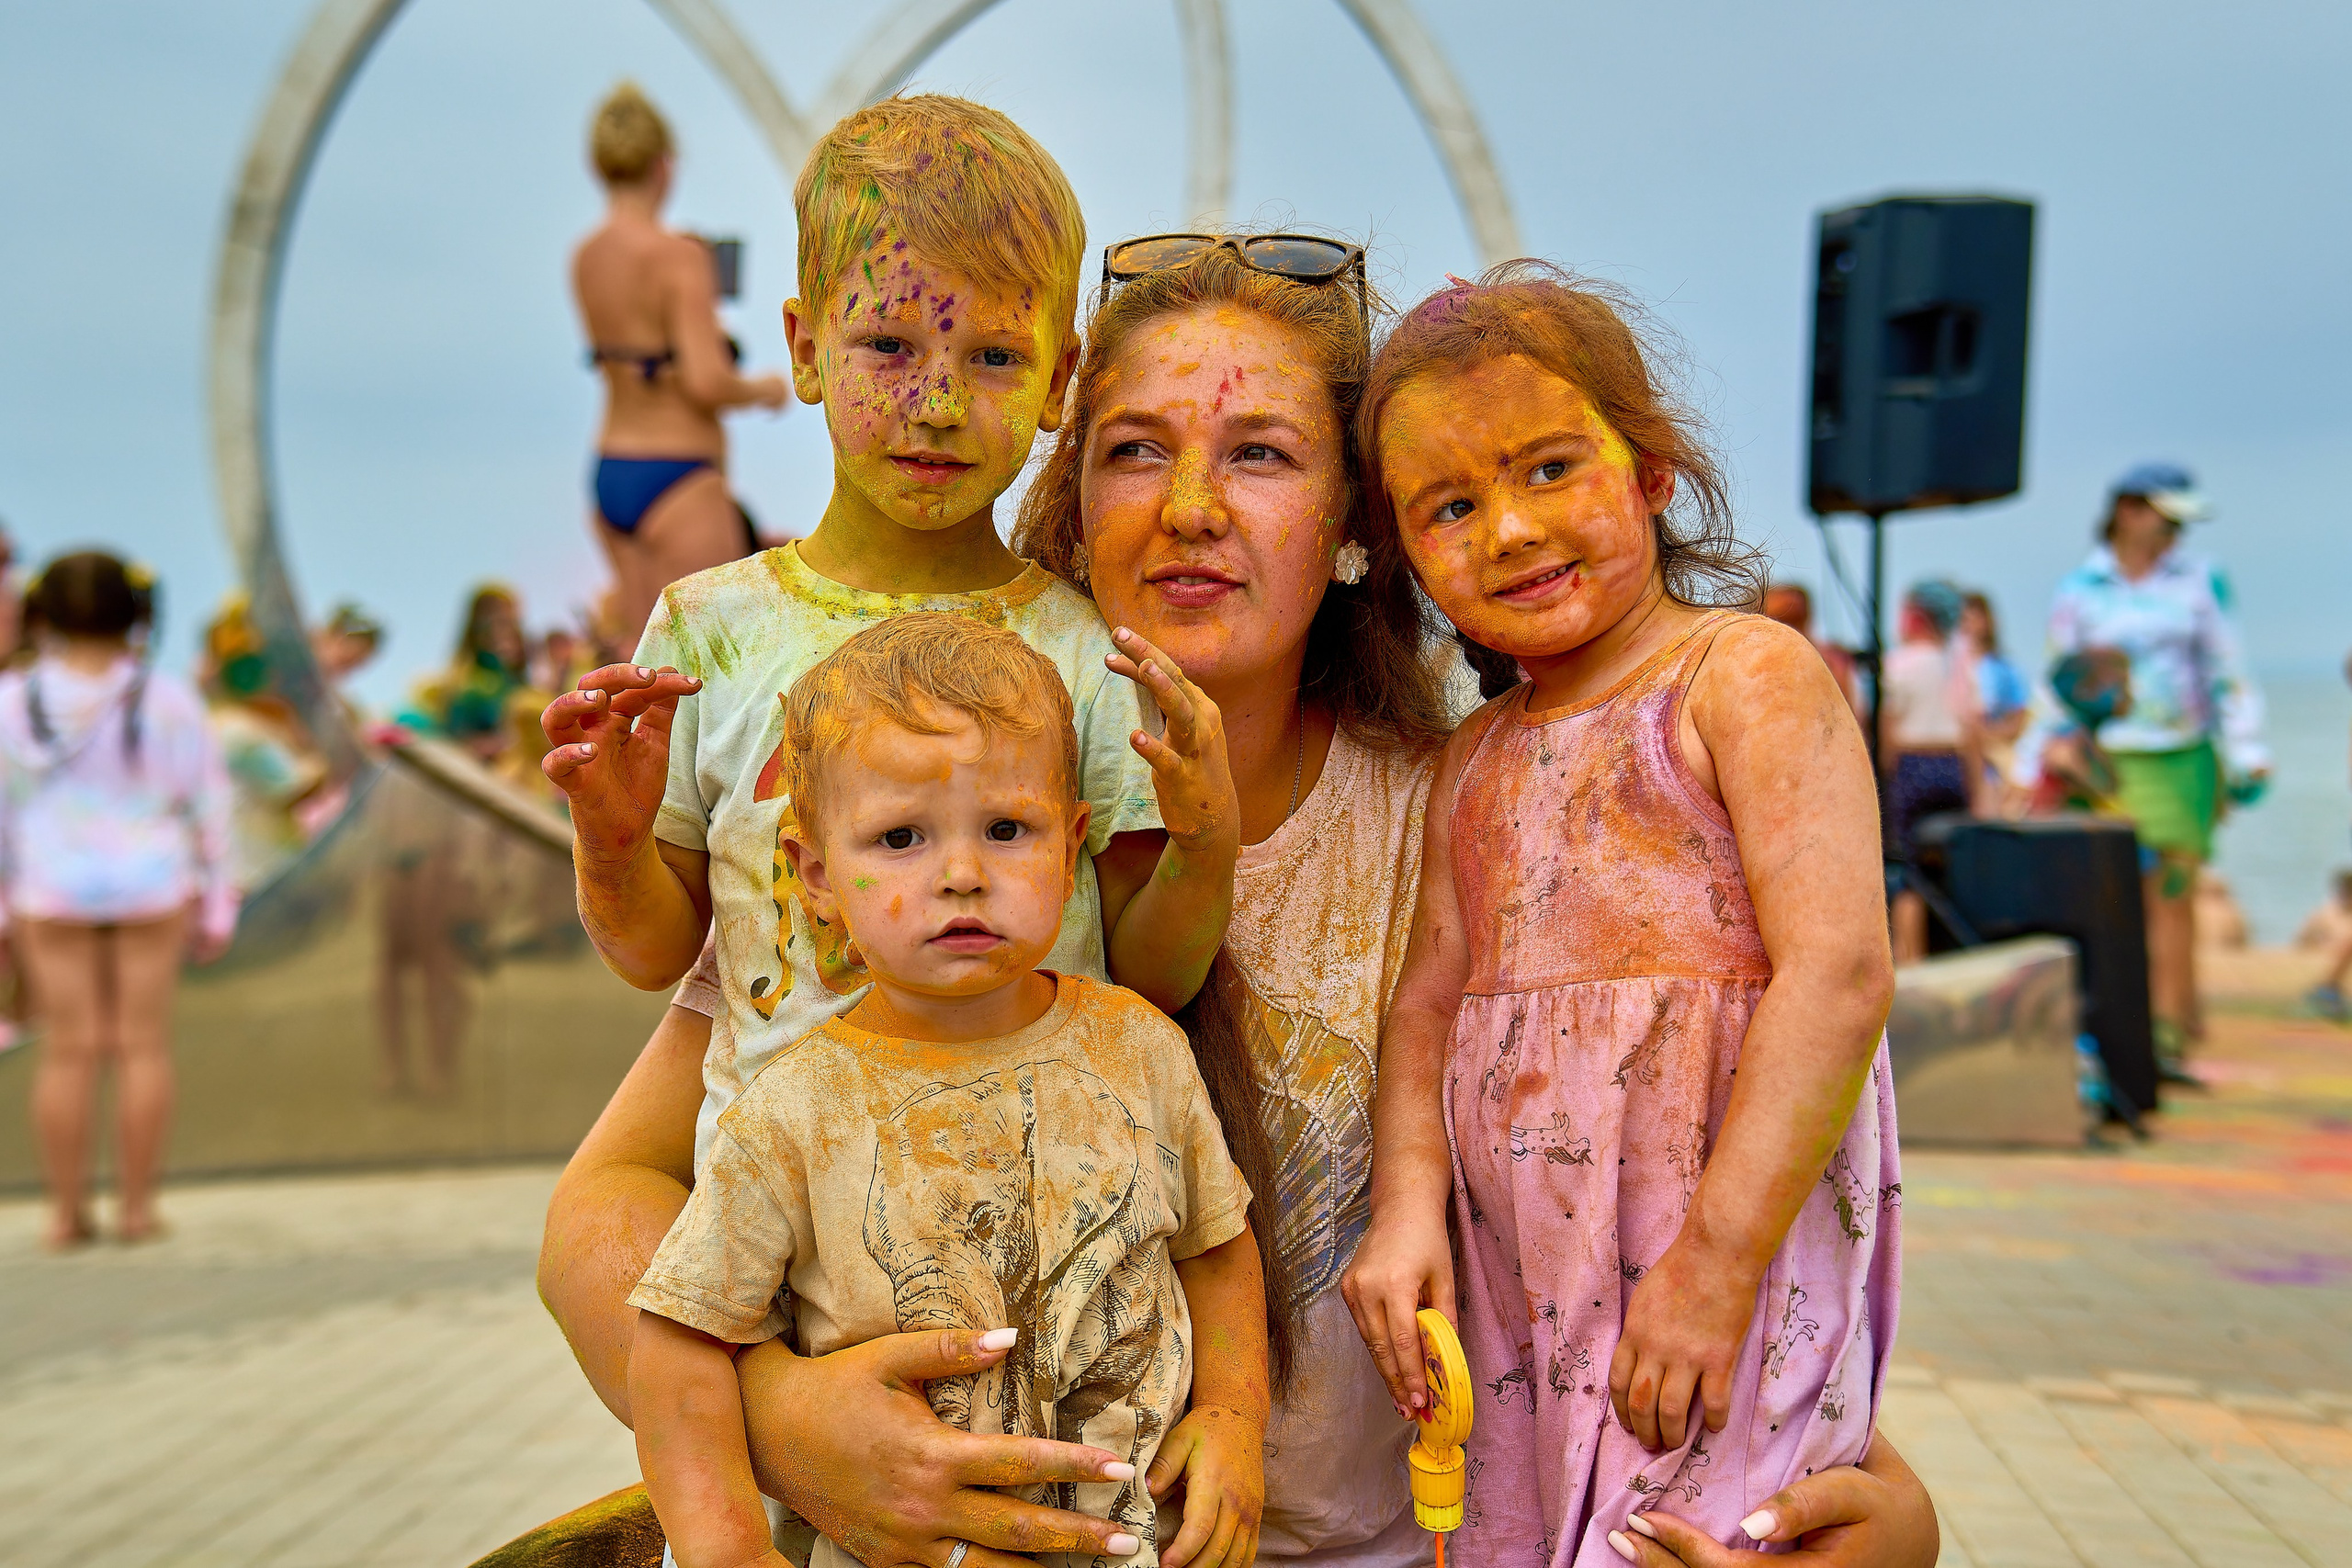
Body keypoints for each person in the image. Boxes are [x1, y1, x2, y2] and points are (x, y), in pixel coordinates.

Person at [537, 237, 1939, 1568]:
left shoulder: (1471, 810)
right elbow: (602, 1205)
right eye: (1135, 449)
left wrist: (1888, 1512)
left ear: (1353, 528)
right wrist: (784, 1427)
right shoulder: (954, 833)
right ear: (1073, 500)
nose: (1192, 506)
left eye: (1261, 453)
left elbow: (1670, 1171)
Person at [1342, 265, 1899, 1562]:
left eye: (1549, 469)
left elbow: (1841, 973)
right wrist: (1408, 1210)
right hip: (1525, 1291)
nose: (1511, 530)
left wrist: (1712, 1265)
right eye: (1451, 505)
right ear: (1406, 552)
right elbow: (1424, 1007)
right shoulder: (1472, 757)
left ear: (1651, 471)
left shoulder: (1741, 678)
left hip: (1724, 1269)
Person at [628, 615, 1266, 1568]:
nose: (961, 875)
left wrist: (1232, 1416)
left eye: (1007, 829)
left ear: (1069, 847)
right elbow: (679, 1344)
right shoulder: (795, 1111)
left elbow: (1214, 1247)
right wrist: (727, 1550)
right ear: (816, 876)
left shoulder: (1139, 1047)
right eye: (899, 838)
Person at [0, 552, 236, 1247]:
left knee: (68, 1050)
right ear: (133, 614)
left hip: (50, 889)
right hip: (152, 886)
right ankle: (137, 1210)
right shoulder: (168, 698)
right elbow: (209, 802)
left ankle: (65, 1214)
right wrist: (218, 902)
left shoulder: (13, 699)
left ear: (43, 613)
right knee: (141, 1046)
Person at [2030, 461, 2268, 1070]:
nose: (2174, 535)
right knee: (2116, 896)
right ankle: (2127, 1029)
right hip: (2105, 764)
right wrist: (2035, 759)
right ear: (2128, 511)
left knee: (2172, 891)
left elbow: (2227, 667)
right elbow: (2058, 683)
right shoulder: (2079, 589)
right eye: (2166, 519)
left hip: (2181, 755)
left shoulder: (2201, 580)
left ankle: (2166, 1032)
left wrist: (2247, 750)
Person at [574, 83, 792, 639]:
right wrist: (766, 388)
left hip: (612, 467)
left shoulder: (586, 258)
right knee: (708, 660)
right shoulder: (679, 257)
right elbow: (705, 381)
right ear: (664, 166)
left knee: (637, 660)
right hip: (681, 475)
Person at [1880, 581, 1979, 963]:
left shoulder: (1899, 664)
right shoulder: (1956, 666)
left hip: (1912, 766)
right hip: (1951, 765)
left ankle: (1911, 958)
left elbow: (1888, 727)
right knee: (1948, 861)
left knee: (1905, 869)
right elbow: (1971, 730)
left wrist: (1884, 778)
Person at [201, 595, 331, 890]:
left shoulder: (216, 724)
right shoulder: (241, 731)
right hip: (256, 878)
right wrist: (325, 755)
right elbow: (295, 787)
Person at [1958, 591, 2027, 796]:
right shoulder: (1950, 666)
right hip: (1957, 758)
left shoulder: (2004, 668)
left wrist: (1989, 737)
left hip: (1994, 761)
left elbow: (2019, 716)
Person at [1760, 581, 1860, 719]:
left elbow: (1849, 711)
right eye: (1782, 620)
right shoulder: (1753, 660)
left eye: (1795, 622)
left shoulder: (1832, 659)